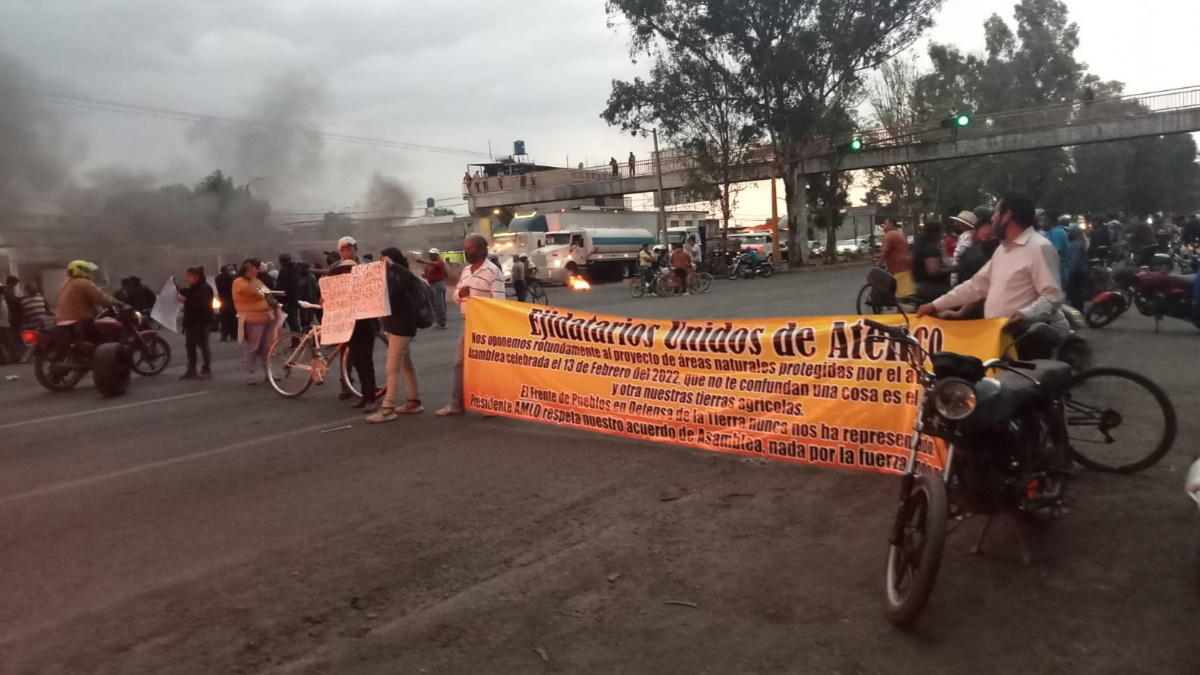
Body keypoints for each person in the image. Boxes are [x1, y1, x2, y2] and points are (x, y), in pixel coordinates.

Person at [916, 194, 1066, 336]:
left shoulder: (1039, 247)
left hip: (1025, 337)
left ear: (1006, 216)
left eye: (996, 213)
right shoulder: (1003, 249)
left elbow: (1052, 296)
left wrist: (1024, 315)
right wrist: (935, 305)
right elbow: (976, 286)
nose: (993, 219)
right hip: (997, 335)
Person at [437, 234, 504, 416]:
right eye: (465, 249)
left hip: (486, 325)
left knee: (487, 366)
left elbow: (499, 302)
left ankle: (493, 404)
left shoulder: (493, 272)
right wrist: (462, 294)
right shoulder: (466, 271)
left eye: (470, 249)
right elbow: (456, 296)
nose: (466, 252)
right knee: (460, 363)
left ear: (482, 250)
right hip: (468, 322)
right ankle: (457, 404)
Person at [368, 247, 424, 423]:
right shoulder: (390, 278)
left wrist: (393, 266)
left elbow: (411, 280)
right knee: (406, 365)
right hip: (394, 326)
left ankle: (387, 408)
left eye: (384, 260)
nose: (381, 263)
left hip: (402, 327)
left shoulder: (403, 276)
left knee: (392, 368)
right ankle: (414, 401)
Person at [334, 236, 380, 412]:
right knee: (356, 360)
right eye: (344, 249)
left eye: (350, 248)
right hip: (347, 322)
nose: (347, 252)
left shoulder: (368, 266)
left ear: (356, 248)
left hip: (366, 320)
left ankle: (371, 398)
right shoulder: (336, 269)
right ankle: (363, 395)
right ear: (340, 252)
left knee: (366, 360)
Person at [232, 258, 276, 385]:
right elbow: (250, 293)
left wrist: (275, 304)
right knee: (253, 347)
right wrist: (252, 278)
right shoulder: (239, 282)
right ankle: (250, 373)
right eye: (256, 267)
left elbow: (268, 295)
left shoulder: (257, 281)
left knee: (267, 347)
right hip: (252, 318)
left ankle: (269, 371)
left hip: (266, 317)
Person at [56, 261, 119, 347]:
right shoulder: (83, 283)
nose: (89, 273)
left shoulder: (66, 284)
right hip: (80, 321)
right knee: (105, 342)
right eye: (87, 270)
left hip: (61, 322)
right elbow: (101, 298)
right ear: (80, 270)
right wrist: (118, 303)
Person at [178, 266, 214, 380]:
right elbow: (189, 294)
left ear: (196, 276)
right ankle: (192, 369)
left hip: (201, 321)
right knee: (190, 346)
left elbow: (202, 305)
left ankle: (206, 368)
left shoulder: (205, 288)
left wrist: (186, 300)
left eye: (189, 276)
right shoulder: (194, 288)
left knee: (203, 345)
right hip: (191, 322)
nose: (187, 278)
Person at [912, 221, 951, 302]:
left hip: (919, 284)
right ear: (936, 233)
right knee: (956, 294)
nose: (942, 234)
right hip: (929, 287)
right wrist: (952, 269)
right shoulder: (930, 248)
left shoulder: (922, 245)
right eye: (941, 232)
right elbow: (933, 270)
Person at [877, 218, 914, 298]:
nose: (884, 226)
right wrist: (879, 256)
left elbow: (886, 251)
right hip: (906, 265)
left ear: (892, 224)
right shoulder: (900, 234)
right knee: (905, 293)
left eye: (885, 224)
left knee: (902, 296)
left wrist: (879, 263)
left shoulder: (889, 235)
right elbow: (896, 250)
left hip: (898, 267)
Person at [948, 210, 977, 286]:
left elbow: (964, 254)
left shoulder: (967, 237)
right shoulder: (967, 235)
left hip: (960, 275)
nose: (956, 223)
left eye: (959, 222)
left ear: (964, 224)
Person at [1064, 225, 1089, 310]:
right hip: (1077, 271)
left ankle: (1078, 313)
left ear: (1075, 233)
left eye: (1070, 231)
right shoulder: (1075, 242)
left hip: (1076, 273)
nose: (1067, 233)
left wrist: (1069, 274)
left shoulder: (1077, 244)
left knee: (1075, 295)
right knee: (1076, 294)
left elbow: (1075, 261)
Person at [424, 248, 448, 329]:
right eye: (430, 254)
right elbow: (426, 273)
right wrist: (425, 274)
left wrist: (424, 261)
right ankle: (441, 318)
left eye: (432, 254)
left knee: (438, 304)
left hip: (438, 284)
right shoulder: (430, 265)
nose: (430, 255)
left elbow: (437, 265)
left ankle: (442, 322)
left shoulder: (440, 262)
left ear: (437, 255)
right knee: (436, 303)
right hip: (432, 284)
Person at [276, 253, 301, 333]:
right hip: (294, 297)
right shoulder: (295, 269)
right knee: (294, 321)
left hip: (287, 299)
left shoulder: (284, 271)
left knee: (292, 322)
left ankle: (296, 339)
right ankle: (296, 339)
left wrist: (282, 299)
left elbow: (283, 286)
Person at [1045, 215, 1070, 286]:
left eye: (1042, 220)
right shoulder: (1053, 232)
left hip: (1057, 274)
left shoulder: (1056, 233)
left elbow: (1055, 253)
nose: (1040, 223)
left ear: (1049, 221)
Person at [215, 264, 238, 342]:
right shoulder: (231, 278)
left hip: (223, 301)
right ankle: (233, 335)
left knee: (224, 320)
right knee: (233, 319)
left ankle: (224, 336)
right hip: (231, 301)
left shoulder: (217, 279)